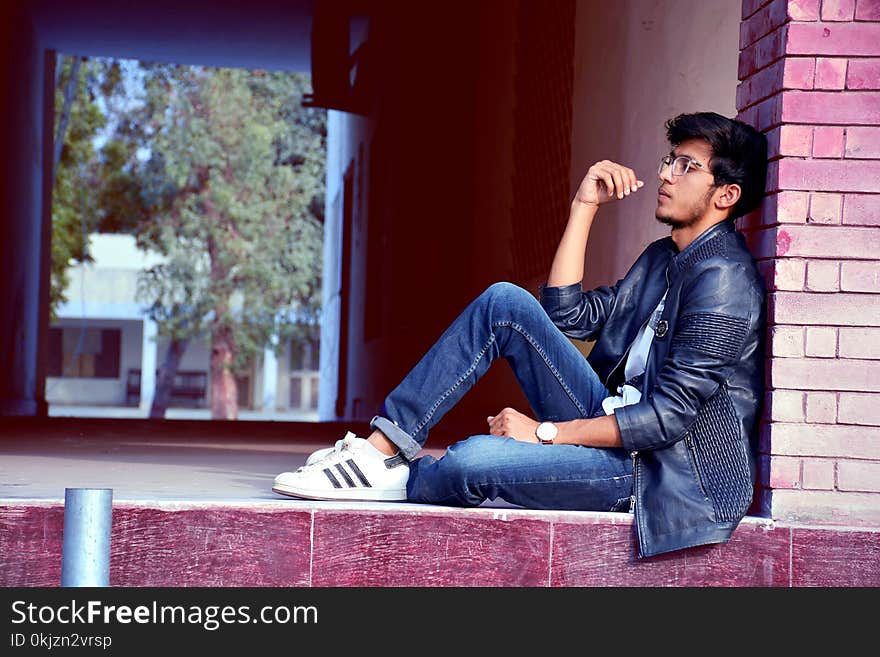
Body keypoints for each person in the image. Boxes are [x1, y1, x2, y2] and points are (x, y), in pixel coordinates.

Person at [273, 111, 768, 558]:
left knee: (471, 462)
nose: (664, 173)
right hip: (614, 422)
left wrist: (544, 434)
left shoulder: (723, 279)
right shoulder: (665, 257)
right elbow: (567, 315)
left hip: (660, 474)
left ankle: (399, 477)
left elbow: (668, 418)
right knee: (506, 302)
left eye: (685, 166)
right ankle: (380, 450)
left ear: (725, 195)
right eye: (669, 160)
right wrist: (584, 206)